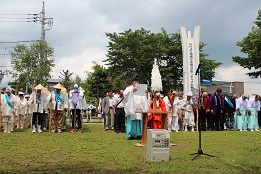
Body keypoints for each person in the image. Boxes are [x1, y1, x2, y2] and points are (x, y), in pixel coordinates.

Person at [123, 75, 148, 140]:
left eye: (137, 81)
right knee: (131, 121)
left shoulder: (141, 88)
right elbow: (124, 94)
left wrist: (146, 93)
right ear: (132, 82)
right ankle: (130, 134)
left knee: (138, 121)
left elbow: (145, 98)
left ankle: (139, 134)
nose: (135, 82)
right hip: (131, 107)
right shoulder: (129, 88)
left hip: (139, 107)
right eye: (134, 81)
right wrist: (131, 91)